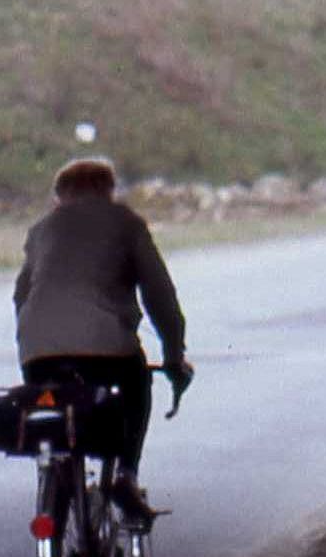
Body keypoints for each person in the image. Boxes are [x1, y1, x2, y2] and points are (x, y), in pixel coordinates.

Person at [13, 156, 193, 518]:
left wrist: (34, 351)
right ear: (109, 190)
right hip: (107, 353)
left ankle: (60, 487)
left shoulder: (41, 230)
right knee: (137, 383)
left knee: (57, 416)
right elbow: (160, 296)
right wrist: (173, 355)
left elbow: (22, 297)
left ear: (60, 195)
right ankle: (125, 475)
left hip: (40, 355)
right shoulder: (126, 223)